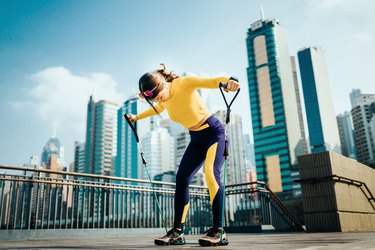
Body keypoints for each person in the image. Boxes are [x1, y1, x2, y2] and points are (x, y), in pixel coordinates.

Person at [127, 64, 240, 246]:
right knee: (182, 178)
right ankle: (177, 232)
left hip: (213, 133)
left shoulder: (184, 83)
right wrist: (136, 117)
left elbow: (211, 81)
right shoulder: (162, 99)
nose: (159, 101)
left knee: (211, 173)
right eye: (155, 99)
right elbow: (157, 109)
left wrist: (230, 82)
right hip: (196, 138)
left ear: (164, 84)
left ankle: (219, 230)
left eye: (159, 96)